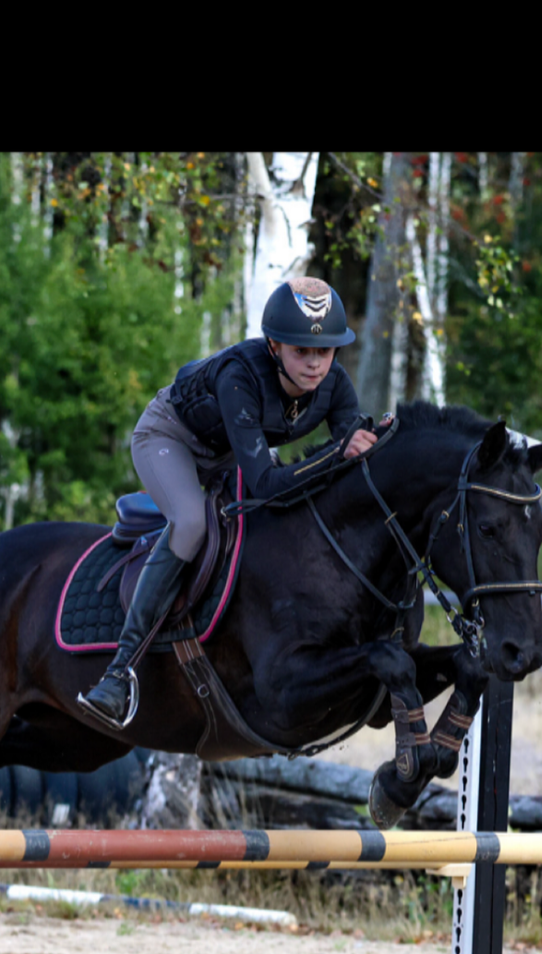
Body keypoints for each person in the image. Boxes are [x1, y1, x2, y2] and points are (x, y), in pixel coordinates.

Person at [78, 275, 378, 727]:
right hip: (170, 437)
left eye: (325, 351)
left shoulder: (335, 384)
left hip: (230, 451)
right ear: (274, 346)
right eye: (302, 351)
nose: (316, 365)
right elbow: (265, 483)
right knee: (191, 523)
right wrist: (337, 453)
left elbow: (353, 465)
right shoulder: (241, 374)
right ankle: (119, 674)